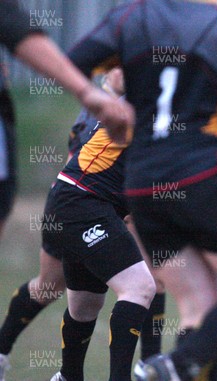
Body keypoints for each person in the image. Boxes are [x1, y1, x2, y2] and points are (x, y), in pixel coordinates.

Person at [67, 1, 217, 380]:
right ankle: (171, 366)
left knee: (198, 308)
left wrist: (102, 103)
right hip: (207, 175)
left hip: (144, 181)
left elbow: (70, 64)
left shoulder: (131, 18)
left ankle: (174, 365)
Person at [0, 68, 169, 381]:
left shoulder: (161, 105)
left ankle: (70, 376)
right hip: (80, 204)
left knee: (86, 304)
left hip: (89, 206)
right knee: (131, 286)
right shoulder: (127, 107)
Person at [0, 0, 133, 244]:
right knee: (48, 282)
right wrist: (85, 92)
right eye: (117, 66)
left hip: (112, 209)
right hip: (80, 206)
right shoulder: (92, 114)